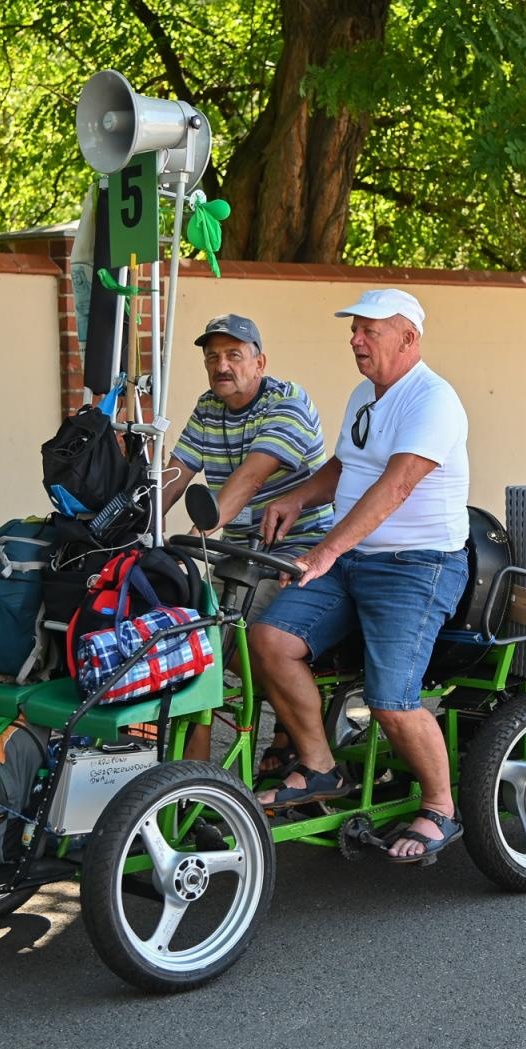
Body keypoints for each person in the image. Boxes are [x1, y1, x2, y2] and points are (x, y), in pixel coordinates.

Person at [250, 288, 471, 863]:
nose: (355, 339)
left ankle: (441, 807)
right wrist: (299, 498)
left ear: (408, 338)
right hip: (354, 561)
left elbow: (394, 486)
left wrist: (323, 552)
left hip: (418, 567)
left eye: (369, 330)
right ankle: (322, 767)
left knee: (392, 700)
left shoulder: (434, 400)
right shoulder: (363, 395)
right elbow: (349, 465)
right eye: (355, 329)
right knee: (269, 641)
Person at [157, 313, 334, 763]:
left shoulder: (288, 402)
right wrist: (140, 525)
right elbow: (176, 474)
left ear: (260, 362)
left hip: (298, 551)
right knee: (187, 643)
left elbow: (250, 479)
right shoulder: (208, 407)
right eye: (212, 357)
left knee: (231, 639)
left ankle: (299, 733)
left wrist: (195, 538)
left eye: (234, 355)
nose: (222, 366)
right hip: (235, 553)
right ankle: (189, 778)